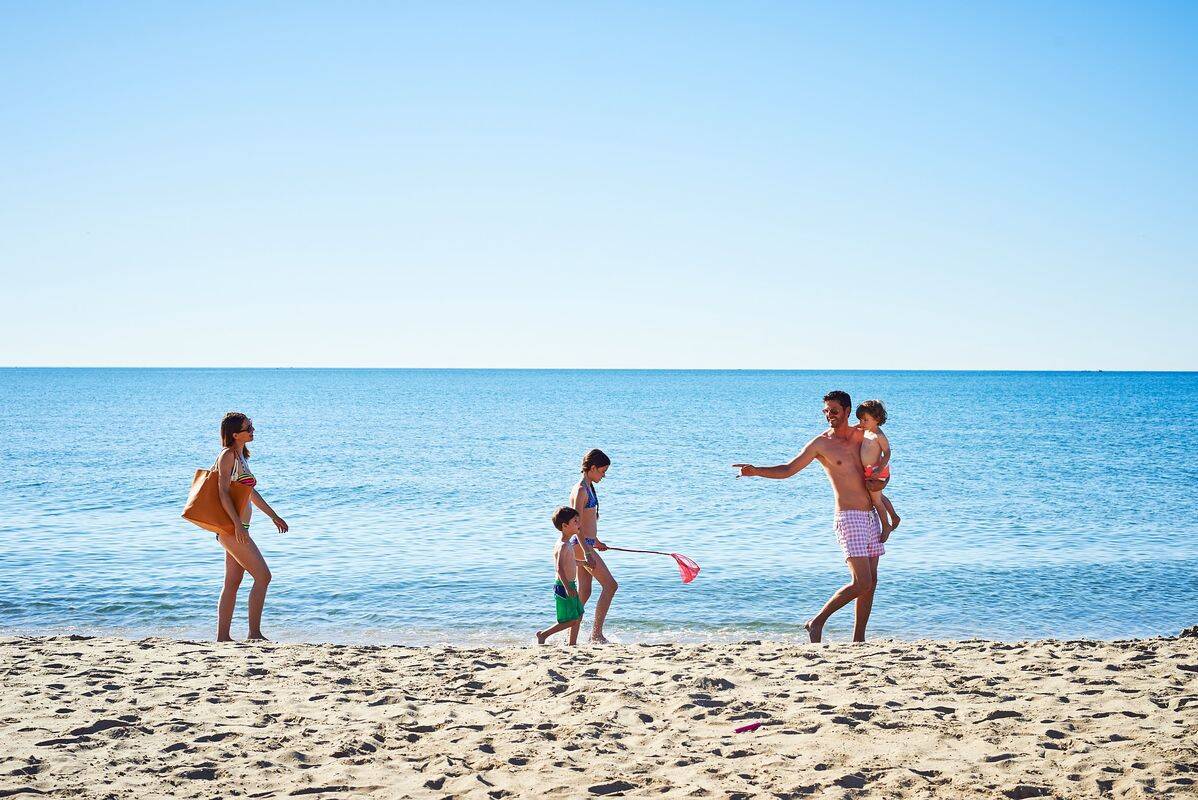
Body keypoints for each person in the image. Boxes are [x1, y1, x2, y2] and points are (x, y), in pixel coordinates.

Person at [734, 391, 884, 643]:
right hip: (849, 518)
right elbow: (788, 469)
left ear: (847, 411)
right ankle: (817, 622)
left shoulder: (863, 435)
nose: (829, 415)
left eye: (834, 411)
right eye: (826, 411)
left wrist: (885, 496)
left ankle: (859, 639)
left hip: (870, 515)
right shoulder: (821, 444)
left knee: (871, 582)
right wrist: (756, 471)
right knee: (861, 582)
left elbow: (880, 467)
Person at [214, 412, 289, 642]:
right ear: (235, 434)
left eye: (251, 426)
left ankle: (223, 638)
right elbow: (222, 492)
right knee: (263, 576)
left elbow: (250, 494)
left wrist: (273, 516)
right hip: (232, 528)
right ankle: (254, 633)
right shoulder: (227, 455)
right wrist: (238, 525)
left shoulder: (241, 456)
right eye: (248, 428)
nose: (252, 430)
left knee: (232, 582)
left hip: (238, 527)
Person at [571, 448, 617, 644]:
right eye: (602, 471)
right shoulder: (581, 490)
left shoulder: (588, 487)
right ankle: (596, 635)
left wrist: (596, 542)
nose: (604, 476)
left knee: (585, 592)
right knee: (611, 586)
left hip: (586, 544)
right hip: (581, 547)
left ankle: (570, 635)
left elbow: (587, 523)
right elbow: (575, 525)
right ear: (592, 468)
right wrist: (588, 551)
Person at [536, 507, 585, 645]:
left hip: (570, 584)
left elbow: (571, 562)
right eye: (575, 521)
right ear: (565, 526)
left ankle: (572, 643)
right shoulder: (563, 545)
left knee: (579, 614)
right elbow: (559, 568)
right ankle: (543, 635)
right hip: (563, 586)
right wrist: (567, 587)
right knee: (571, 620)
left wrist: (584, 563)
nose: (579, 523)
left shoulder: (568, 543)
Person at [856, 399, 899, 539]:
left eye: (865, 420)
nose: (861, 423)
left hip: (877, 470)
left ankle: (886, 526)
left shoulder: (879, 435)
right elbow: (855, 428)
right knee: (878, 496)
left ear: (877, 419)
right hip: (870, 469)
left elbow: (887, 453)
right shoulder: (867, 430)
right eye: (860, 419)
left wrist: (879, 470)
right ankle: (894, 516)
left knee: (876, 500)